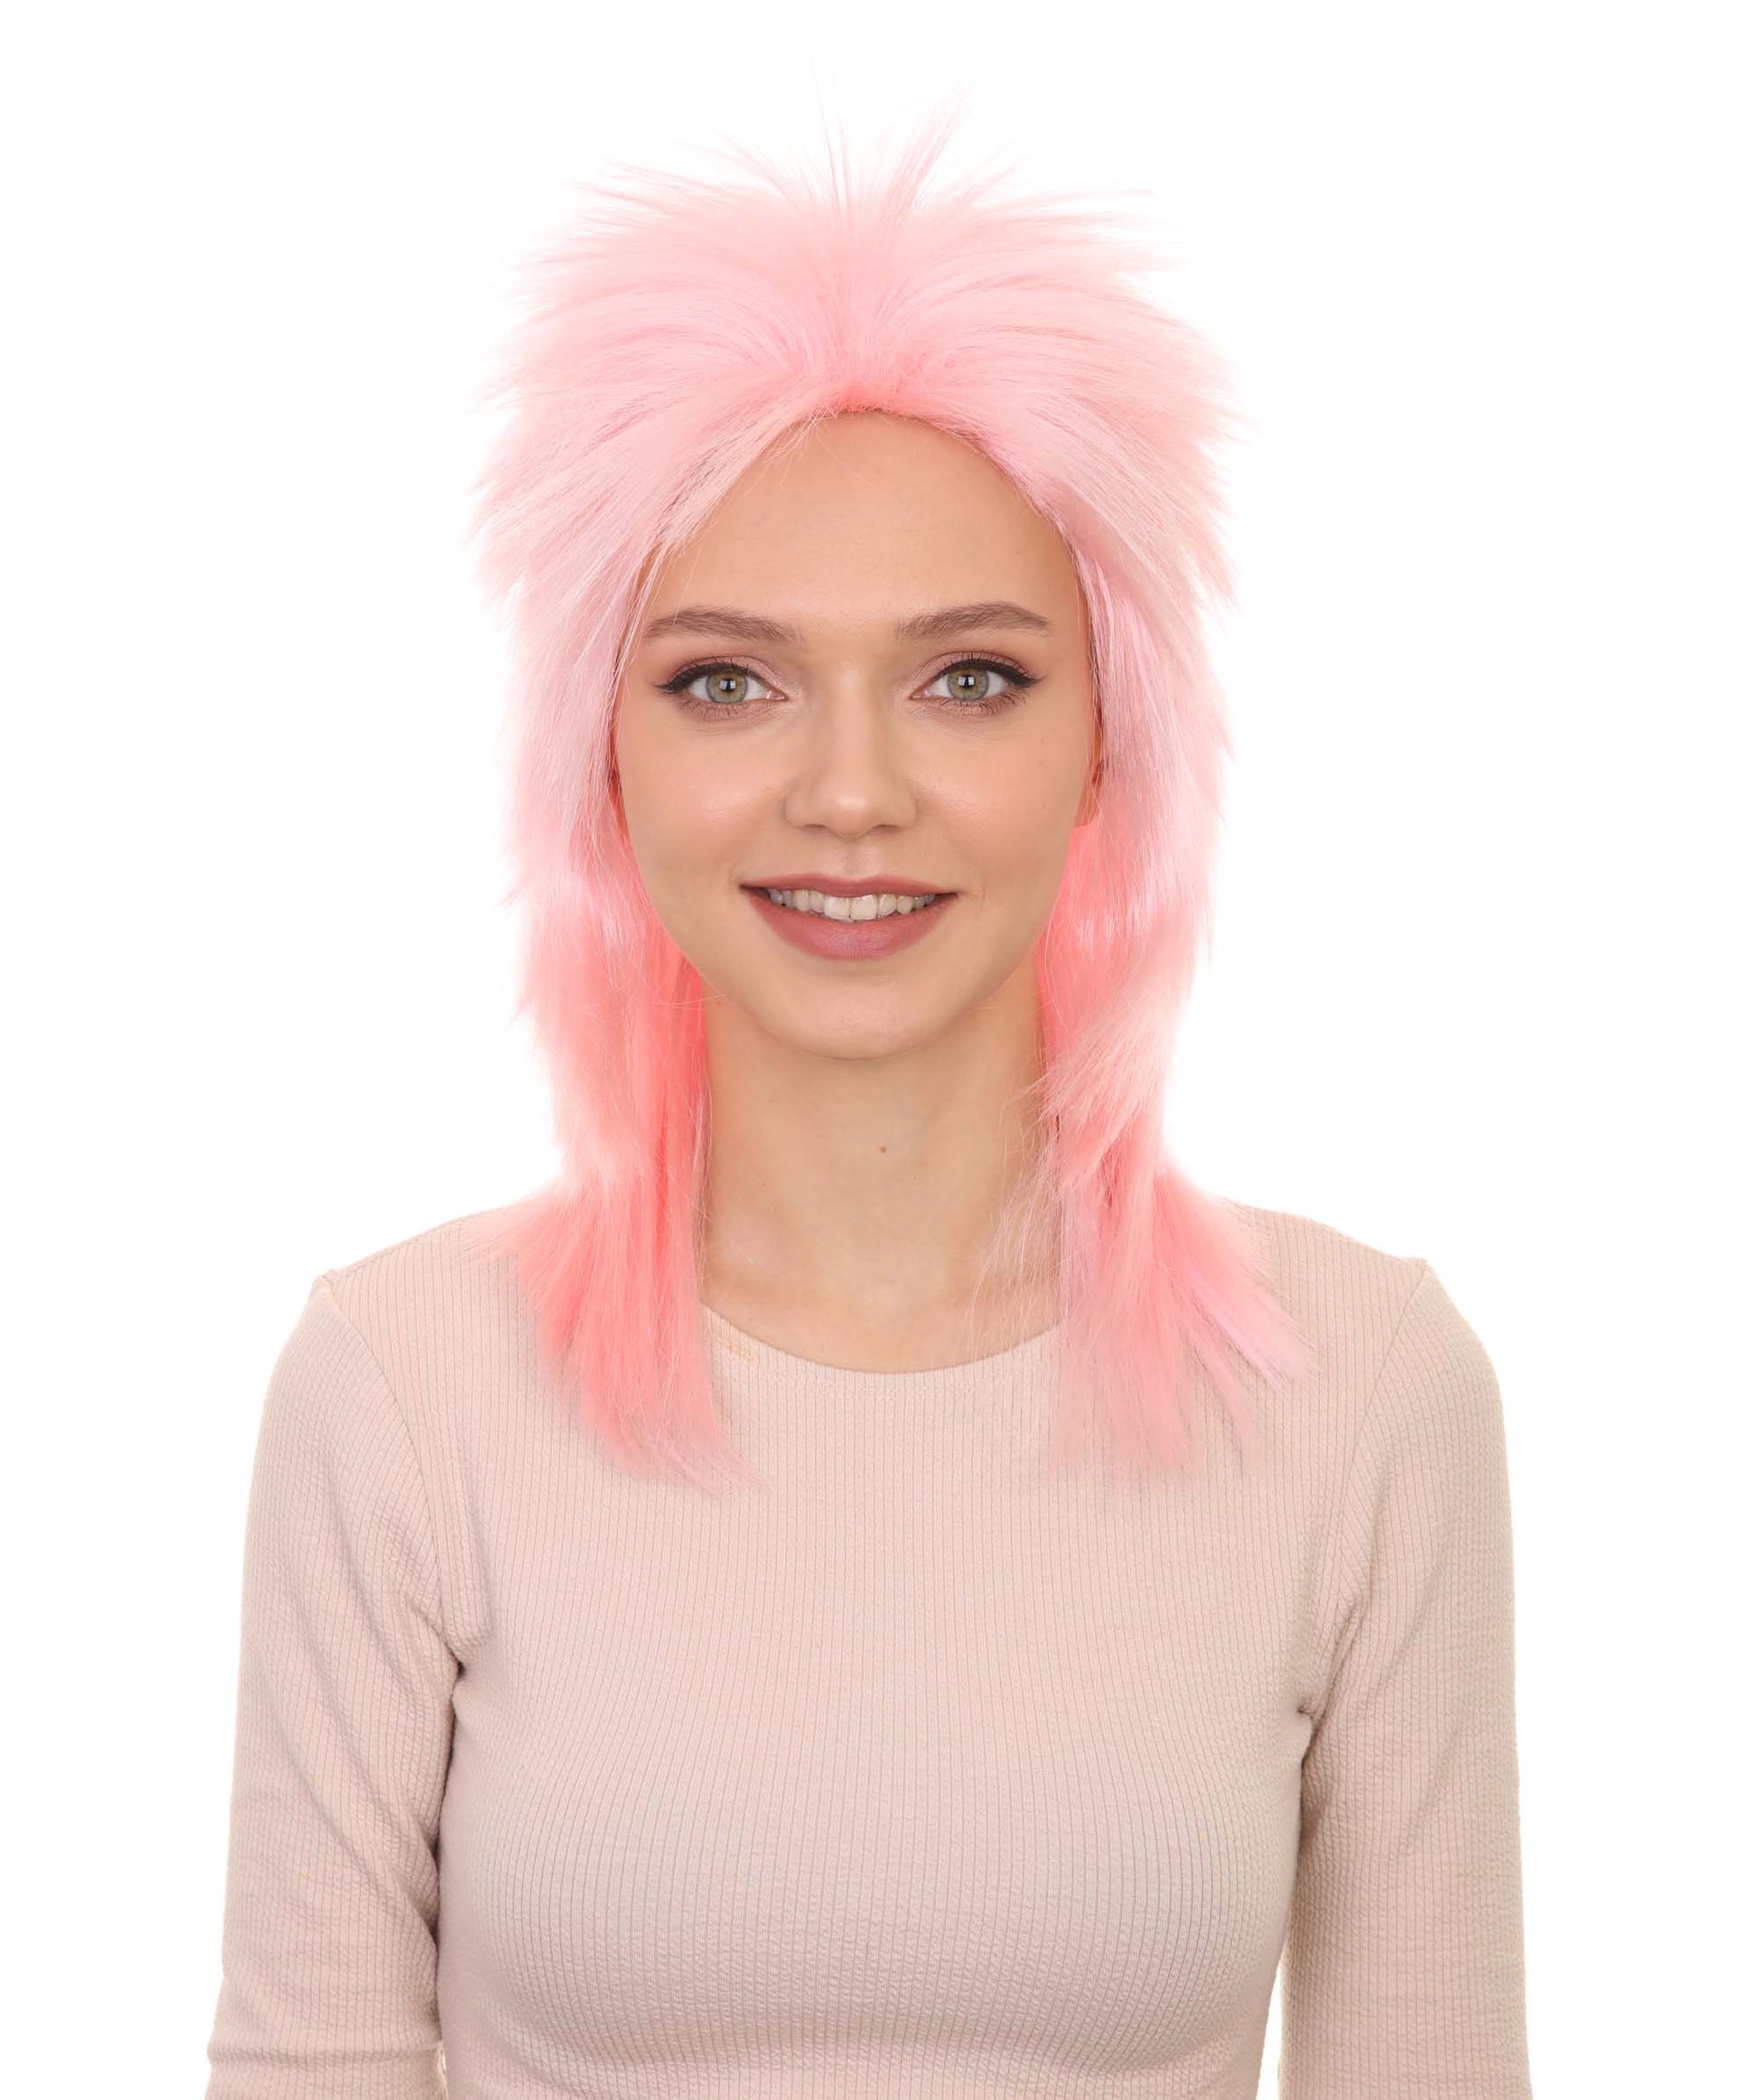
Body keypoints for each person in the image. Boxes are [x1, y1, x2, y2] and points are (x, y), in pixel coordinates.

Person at [204, 114, 1533, 2100]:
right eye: (726, 682)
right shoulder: (405, 1389)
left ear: (1109, 744)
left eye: (968, 679)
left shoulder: (1362, 1392)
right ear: (602, 758)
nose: (847, 793)